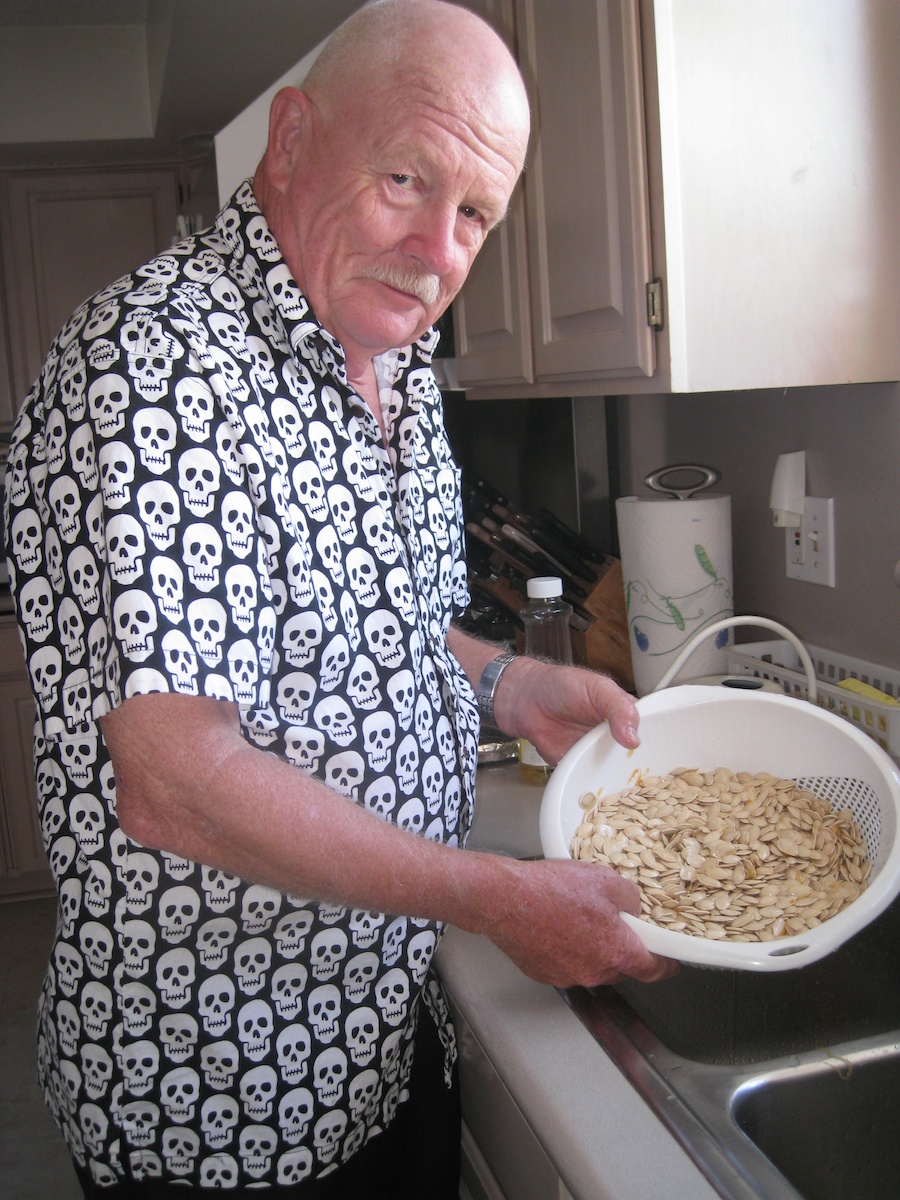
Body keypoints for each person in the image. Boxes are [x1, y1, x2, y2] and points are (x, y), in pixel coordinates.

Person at [3, 1, 675, 1195]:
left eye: (475, 213)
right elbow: (174, 785)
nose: (438, 250)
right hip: (223, 1107)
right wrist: (492, 895)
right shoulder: (158, 367)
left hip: (381, 1036)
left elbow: (383, 631)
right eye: (409, 178)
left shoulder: (392, 361)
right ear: (294, 137)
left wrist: (509, 683)